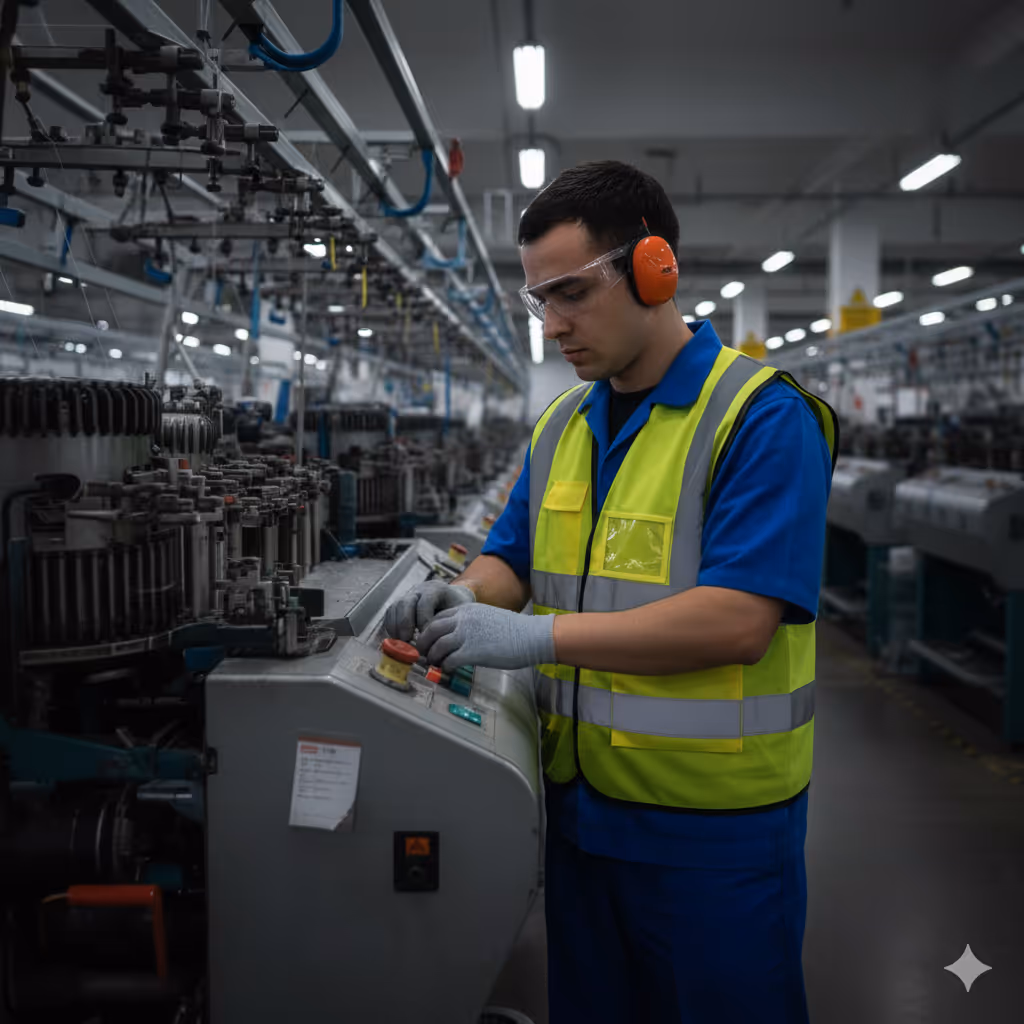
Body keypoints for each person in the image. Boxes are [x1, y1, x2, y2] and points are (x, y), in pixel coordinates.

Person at [385, 160, 837, 1024]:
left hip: (713, 835)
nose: (552, 325)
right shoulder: (564, 423)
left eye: (571, 293)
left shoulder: (760, 418)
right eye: (537, 301)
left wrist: (536, 639)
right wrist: (465, 594)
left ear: (653, 270)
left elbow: (740, 620)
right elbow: (511, 557)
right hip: (580, 818)